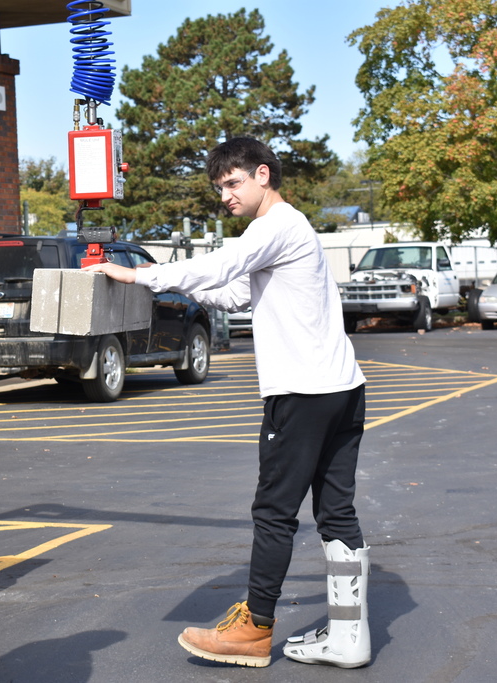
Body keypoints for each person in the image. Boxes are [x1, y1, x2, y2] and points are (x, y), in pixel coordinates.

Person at [84, 136, 371, 669]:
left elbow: (219, 267)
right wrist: (168, 287)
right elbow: (236, 293)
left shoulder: (274, 226)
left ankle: (254, 629)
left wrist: (137, 274)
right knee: (336, 513)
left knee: (273, 511)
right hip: (342, 388)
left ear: (264, 175)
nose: (226, 196)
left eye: (233, 183)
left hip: (303, 394)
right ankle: (349, 638)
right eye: (219, 187)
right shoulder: (294, 231)